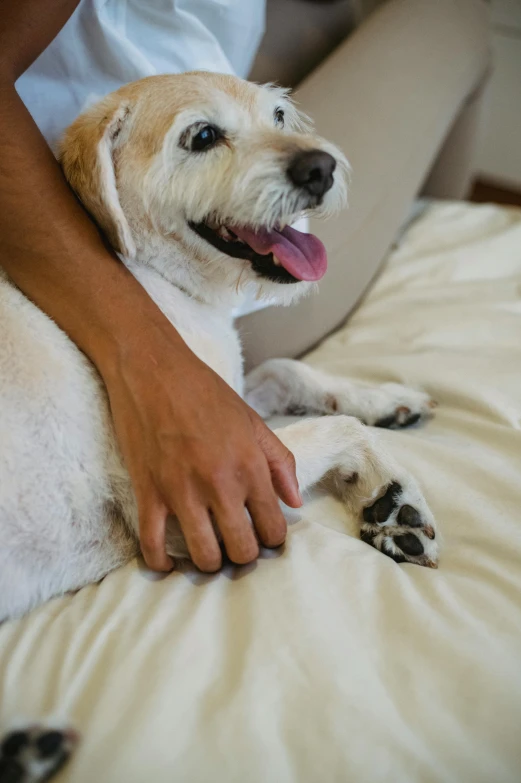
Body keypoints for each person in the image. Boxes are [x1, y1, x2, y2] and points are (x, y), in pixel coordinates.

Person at [0, 0, 301, 575]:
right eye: (205, 136)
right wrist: (150, 361)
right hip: (88, 210)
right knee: (452, 34)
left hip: (204, 177)